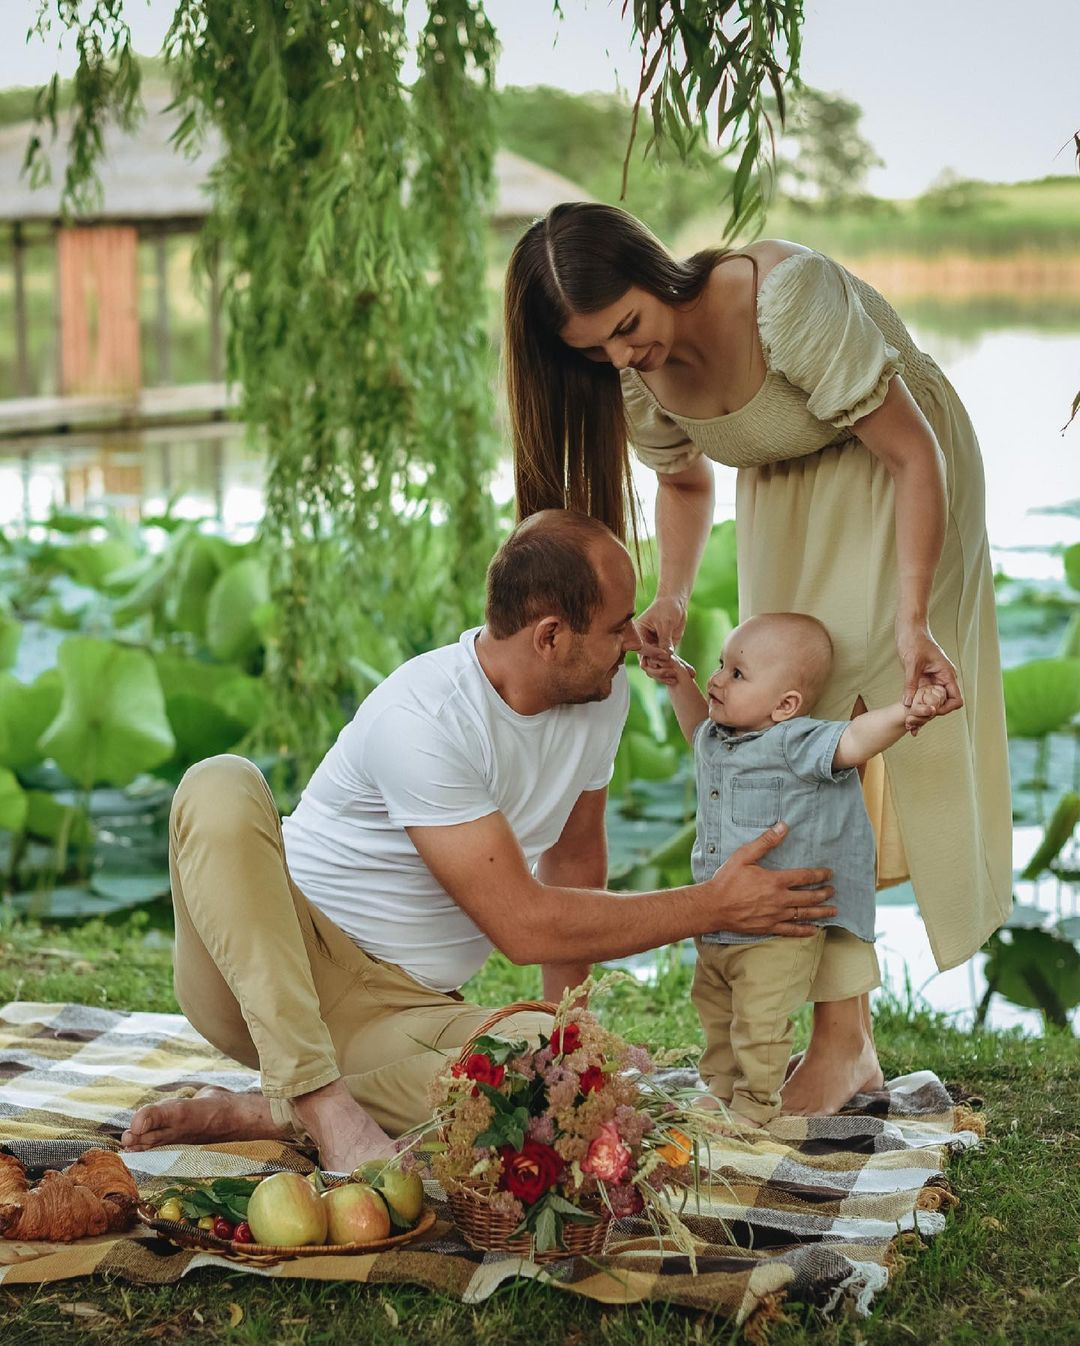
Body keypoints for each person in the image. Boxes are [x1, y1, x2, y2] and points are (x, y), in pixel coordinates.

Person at [121, 510, 839, 1172]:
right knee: (219, 781)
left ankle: (274, 1112)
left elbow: (574, 859)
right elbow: (524, 926)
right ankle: (321, 1101)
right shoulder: (425, 718)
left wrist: (568, 1036)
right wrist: (714, 905)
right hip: (265, 973)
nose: (635, 640)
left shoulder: (600, 695)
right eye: (618, 625)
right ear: (550, 636)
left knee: (575, 1079)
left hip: (405, 1015)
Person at [504, 202, 1012, 1114]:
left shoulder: (786, 301)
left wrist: (911, 623)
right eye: (595, 352)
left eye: (626, 327)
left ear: (654, 270)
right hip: (786, 486)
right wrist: (671, 595)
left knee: (837, 737)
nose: (622, 358)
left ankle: (843, 1040)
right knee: (772, 725)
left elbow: (911, 452)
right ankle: (842, 1040)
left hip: (900, 475)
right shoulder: (636, 374)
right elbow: (684, 478)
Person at [645, 613, 943, 1126]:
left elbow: (853, 740)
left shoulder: (796, 743)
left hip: (776, 930)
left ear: (785, 705)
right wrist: (679, 682)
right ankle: (720, 1092)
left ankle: (756, 1106)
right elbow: (696, 730)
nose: (718, 678)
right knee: (717, 1016)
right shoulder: (718, 739)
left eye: (737, 674)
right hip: (716, 924)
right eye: (721, 665)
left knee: (759, 1024)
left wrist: (905, 713)